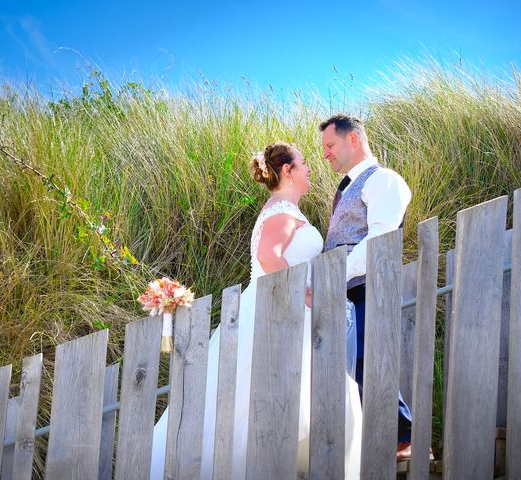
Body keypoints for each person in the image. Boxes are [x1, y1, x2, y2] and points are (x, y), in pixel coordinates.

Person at [150, 142, 362, 479]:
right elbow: (269, 256)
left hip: (275, 309)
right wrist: (303, 295)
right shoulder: (281, 211)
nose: (309, 168)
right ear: (288, 171)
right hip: (275, 311)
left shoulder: (284, 209)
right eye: (303, 163)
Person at [320, 114, 413, 460]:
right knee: (353, 366)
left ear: (354, 139)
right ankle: (378, 441)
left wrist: (336, 275)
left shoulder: (384, 180)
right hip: (346, 291)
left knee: (367, 361)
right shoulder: (346, 188)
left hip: (368, 288)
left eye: (330, 145)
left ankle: (405, 439)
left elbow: (379, 238)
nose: (326, 154)